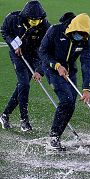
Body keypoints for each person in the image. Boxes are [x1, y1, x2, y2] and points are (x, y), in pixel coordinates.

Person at [39, 12, 90, 151]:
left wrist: (87, 88)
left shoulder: (85, 38)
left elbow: (86, 62)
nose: (80, 36)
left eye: (83, 34)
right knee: (66, 100)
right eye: (78, 33)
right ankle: (53, 137)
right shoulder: (55, 30)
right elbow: (42, 52)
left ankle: (57, 136)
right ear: (72, 27)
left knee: (71, 105)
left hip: (70, 71)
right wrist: (56, 65)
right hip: (52, 69)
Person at [0, 0, 50, 131]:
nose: (35, 23)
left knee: (22, 87)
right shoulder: (13, 18)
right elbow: (4, 31)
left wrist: (39, 71)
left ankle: (5, 115)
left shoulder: (45, 26)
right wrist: (13, 44)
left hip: (34, 55)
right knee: (24, 84)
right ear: (25, 16)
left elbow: (46, 51)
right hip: (18, 55)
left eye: (37, 20)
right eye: (32, 20)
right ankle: (24, 120)